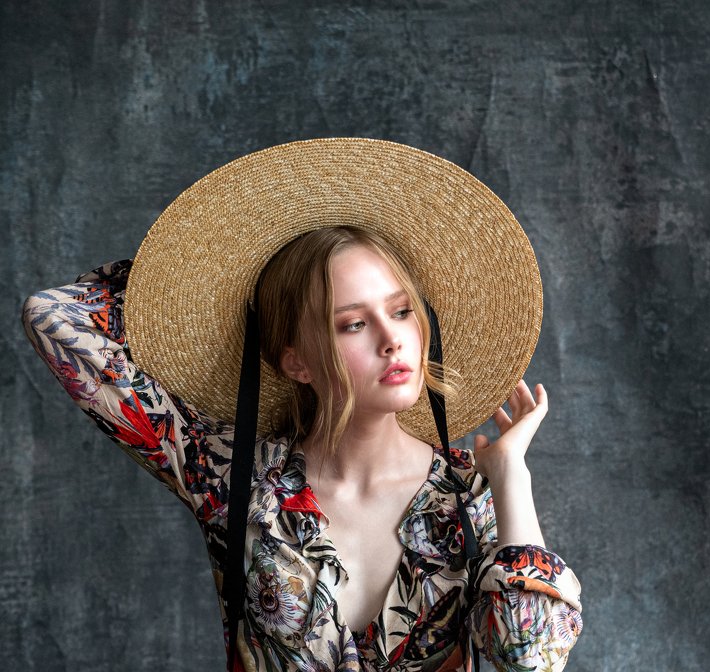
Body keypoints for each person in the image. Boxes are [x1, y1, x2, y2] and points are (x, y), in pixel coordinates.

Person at [21, 139, 582, 672]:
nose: (392, 340)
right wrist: (195, 270)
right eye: (353, 324)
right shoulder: (232, 476)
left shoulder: (469, 493)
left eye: (404, 311)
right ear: (297, 362)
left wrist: (511, 476)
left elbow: (530, 659)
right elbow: (54, 318)